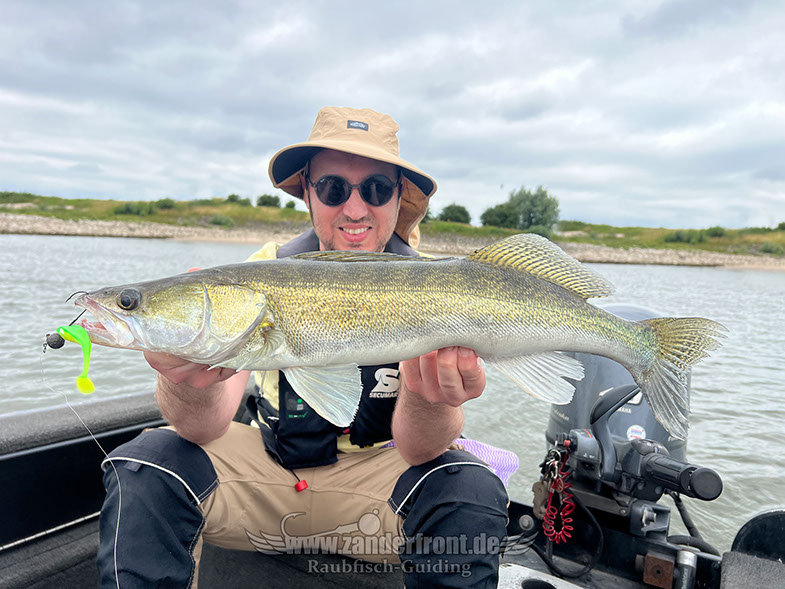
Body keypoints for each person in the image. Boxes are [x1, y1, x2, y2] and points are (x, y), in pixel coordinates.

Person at [97, 107, 510, 588]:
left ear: (400, 196)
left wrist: (432, 397)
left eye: (376, 188)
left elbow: (420, 449)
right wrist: (183, 380)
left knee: (470, 488)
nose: (354, 209)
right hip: (266, 478)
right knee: (146, 464)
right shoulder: (258, 272)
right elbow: (202, 427)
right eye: (333, 188)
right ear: (308, 192)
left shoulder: (439, 283)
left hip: (382, 490)